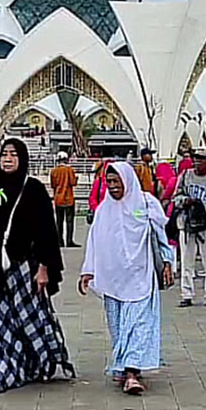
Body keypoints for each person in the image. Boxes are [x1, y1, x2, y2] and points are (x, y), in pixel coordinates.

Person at [0, 138, 75, 394]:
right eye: (4, 154)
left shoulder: (32, 189)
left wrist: (44, 267)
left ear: (23, 158)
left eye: (13, 154)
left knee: (27, 320)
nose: (8, 158)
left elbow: (46, 231)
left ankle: (33, 363)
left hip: (22, 268)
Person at [79, 163, 173, 395]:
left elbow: (160, 235)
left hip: (141, 276)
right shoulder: (104, 210)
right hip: (113, 279)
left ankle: (131, 372)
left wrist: (168, 262)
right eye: (109, 182)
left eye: (116, 181)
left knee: (138, 324)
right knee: (120, 327)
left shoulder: (145, 203)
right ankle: (125, 365)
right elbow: (94, 241)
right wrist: (88, 270)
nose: (112, 187)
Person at [173, 148, 206, 307]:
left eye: (202, 159)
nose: (197, 161)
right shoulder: (185, 176)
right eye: (195, 158)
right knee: (186, 262)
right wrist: (185, 201)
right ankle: (186, 294)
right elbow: (176, 197)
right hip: (188, 225)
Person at [50, 152, 78, 247]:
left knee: (59, 221)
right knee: (69, 222)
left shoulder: (54, 171)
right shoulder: (69, 170)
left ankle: (59, 241)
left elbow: (53, 185)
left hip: (58, 199)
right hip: (68, 198)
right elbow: (73, 182)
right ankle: (69, 241)